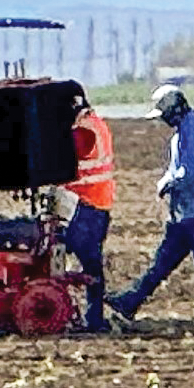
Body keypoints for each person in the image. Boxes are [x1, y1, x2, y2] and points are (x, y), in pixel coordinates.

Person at [113, 84, 194, 331]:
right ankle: (129, 302)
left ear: (175, 109)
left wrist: (167, 183)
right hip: (184, 213)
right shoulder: (184, 131)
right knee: (162, 263)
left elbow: (193, 172)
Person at [65, 90, 117, 332]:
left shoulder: (81, 132)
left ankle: (92, 318)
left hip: (86, 205)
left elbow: (67, 165)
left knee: (87, 263)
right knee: (91, 262)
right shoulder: (97, 124)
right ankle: (92, 315)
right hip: (99, 205)